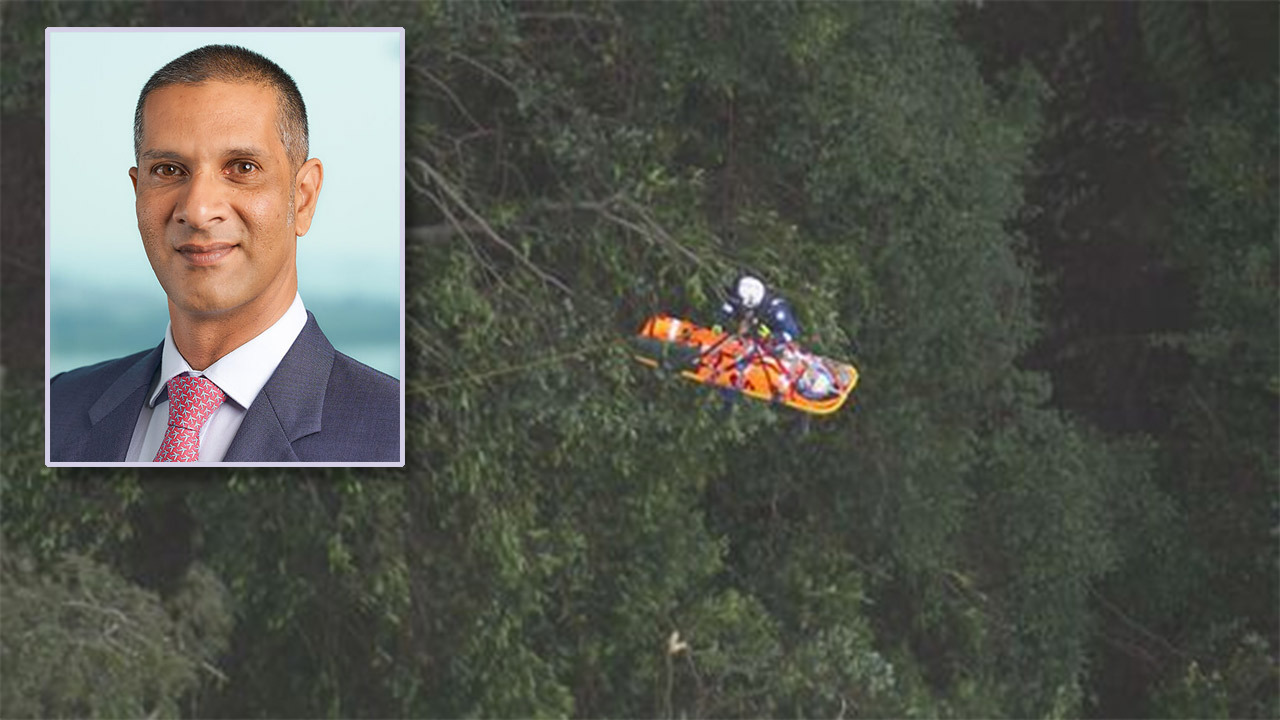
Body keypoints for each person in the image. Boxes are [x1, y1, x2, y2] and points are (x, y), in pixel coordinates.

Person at [49, 44, 399, 463]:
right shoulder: (55, 409)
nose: (198, 210)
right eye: (168, 170)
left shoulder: (398, 432)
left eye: (243, 167)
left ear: (303, 198)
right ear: (137, 192)